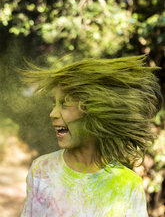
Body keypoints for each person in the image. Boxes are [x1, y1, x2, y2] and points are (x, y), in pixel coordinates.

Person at [20, 54, 163, 217]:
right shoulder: (41, 170)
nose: (52, 113)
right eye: (54, 103)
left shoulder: (129, 185)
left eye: (64, 104)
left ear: (93, 112)